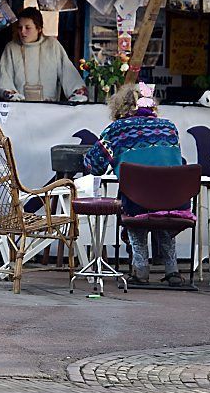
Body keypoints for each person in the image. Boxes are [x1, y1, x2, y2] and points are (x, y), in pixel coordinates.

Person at [83, 82, 187, 287]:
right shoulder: (169, 127)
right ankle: (172, 270)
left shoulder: (116, 130)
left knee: (135, 205)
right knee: (161, 209)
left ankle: (141, 270)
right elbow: (176, 160)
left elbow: (93, 165)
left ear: (120, 106)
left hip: (137, 200)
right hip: (174, 199)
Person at [0, 7, 87, 102]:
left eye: (27, 27)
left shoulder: (52, 45)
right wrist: (10, 94)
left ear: (39, 28)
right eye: (20, 28)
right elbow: (5, 79)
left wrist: (78, 94)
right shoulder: (11, 47)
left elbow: (68, 73)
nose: (22, 32)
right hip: (20, 110)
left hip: (49, 110)